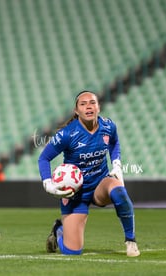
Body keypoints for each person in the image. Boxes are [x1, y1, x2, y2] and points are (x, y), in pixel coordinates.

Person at [38, 91, 140, 257]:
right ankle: (59, 230)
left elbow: (114, 143)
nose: (88, 106)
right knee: (72, 251)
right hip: (75, 192)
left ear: (98, 107)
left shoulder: (108, 126)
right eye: (83, 104)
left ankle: (131, 240)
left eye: (92, 102)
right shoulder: (67, 134)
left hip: (100, 183)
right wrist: (47, 182)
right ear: (76, 110)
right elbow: (44, 158)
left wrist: (116, 163)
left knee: (119, 190)